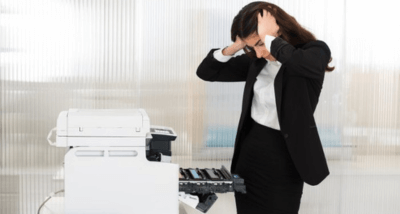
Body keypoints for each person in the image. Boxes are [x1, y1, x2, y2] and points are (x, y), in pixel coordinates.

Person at [196, 1, 335, 214]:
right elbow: (207, 72)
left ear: (279, 29)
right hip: (250, 155)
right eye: (253, 47)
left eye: (261, 44)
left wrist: (270, 39)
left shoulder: (313, 52)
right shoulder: (257, 62)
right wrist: (237, 46)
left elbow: (305, 64)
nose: (259, 53)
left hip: (285, 158)